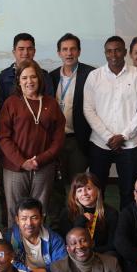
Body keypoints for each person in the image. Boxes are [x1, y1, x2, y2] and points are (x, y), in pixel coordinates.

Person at [83, 36, 137, 208]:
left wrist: (124, 136)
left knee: (128, 192)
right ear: (105, 53)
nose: (113, 55)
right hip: (100, 143)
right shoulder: (94, 76)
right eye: (109, 51)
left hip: (130, 144)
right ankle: (97, 224)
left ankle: (126, 224)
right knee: (96, 192)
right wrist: (108, 137)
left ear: (125, 52)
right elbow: (88, 110)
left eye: (118, 50)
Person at [0, 59, 64, 217]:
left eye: (33, 77)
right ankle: (15, 236)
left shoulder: (51, 103)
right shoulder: (11, 103)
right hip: (15, 167)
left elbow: (58, 139)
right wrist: (22, 162)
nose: (29, 81)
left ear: (39, 79)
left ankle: (38, 235)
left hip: (44, 166)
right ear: (18, 81)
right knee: (15, 212)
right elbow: (4, 137)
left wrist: (39, 160)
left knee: (40, 212)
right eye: (24, 78)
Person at [48, 33, 95, 229]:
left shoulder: (90, 74)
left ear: (79, 51)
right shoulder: (50, 77)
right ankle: (57, 224)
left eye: (73, 49)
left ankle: (79, 224)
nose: (69, 53)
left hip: (78, 139)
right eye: (65, 49)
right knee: (55, 185)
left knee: (78, 185)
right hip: (55, 140)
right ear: (59, 53)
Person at [7, 197, 66, 272]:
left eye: (34, 218)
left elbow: (62, 264)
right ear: (17, 220)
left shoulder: (54, 239)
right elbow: (7, 262)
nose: (29, 223)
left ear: (42, 218)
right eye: (24, 218)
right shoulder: (10, 238)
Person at [67, 171, 118, 252]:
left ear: (98, 191)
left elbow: (113, 246)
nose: (84, 193)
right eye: (79, 190)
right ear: (75, 195)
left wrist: (90, 252)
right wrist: (80, 221)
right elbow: (68, 244)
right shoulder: (68, 213)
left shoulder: (111, 213)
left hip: (101, 254)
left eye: (88, 189)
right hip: (76, 255)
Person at [0, 33, 53, 103]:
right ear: (14, 52)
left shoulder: (44, 76)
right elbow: (0, 106)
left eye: (29, 49)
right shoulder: (3, 77)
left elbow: (50, 103)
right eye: (21, 49)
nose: (26, 53)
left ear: (34, 51)